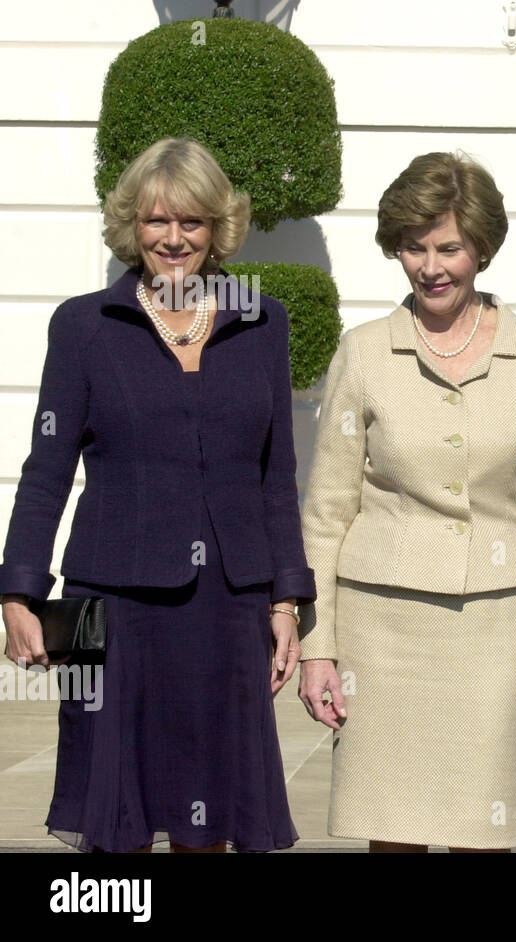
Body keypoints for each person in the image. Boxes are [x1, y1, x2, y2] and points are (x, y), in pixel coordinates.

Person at [0, 137, 313, 853]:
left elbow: (277, 473)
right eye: (156, 221)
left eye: (192, 222)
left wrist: (286, 599)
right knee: (114, 818)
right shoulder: (82, 326)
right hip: (103, 601)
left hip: (228, 602)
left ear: (218, 228)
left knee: (213, 819)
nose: (174, 239)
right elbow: (47, 468)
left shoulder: (264, 323)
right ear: (130, 226)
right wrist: (17, 595)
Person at [297, 152, 516, 853]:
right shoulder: (364, 353)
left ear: (482, 248)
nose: (431, 267)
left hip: (497, 631)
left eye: (449, 248)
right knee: (390, 832)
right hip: (382, 630)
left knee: (481, 833)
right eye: (413, 247)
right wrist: (319, 647)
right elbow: (326, 511)